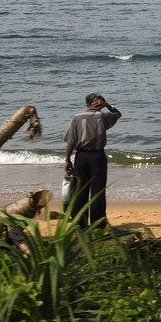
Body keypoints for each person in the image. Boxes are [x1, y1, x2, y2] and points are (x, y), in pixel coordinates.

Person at [64, 92, 122, 227]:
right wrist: (107, 105)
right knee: (98, 191)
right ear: (98, 104)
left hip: (81, 156)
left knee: (80, 190)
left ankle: (80, 223)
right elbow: (118, 114)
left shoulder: (77, 118)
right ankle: (98, 224)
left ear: (87, 104)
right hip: (98, 156)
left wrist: (67, 159)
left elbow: (71, 141)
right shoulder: (103, 117)